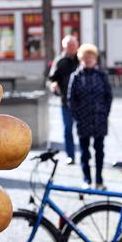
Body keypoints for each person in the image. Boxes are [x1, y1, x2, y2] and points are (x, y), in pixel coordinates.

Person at [67, 44, 113, 190]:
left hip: (99, 118)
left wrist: (105, 112)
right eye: (85, 57)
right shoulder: (76, 76)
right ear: (81, 59)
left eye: (91, 57)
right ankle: (86, 179)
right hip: (83, 119)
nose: (88, 60)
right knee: (84, 152)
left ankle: (99, 180)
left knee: (99, 150)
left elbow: (108, 96)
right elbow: (71, 98)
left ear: (95, 59)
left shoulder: (101, 75)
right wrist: (77, 115)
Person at [48, 36, 80, 165]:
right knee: (67, 130)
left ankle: (85, 154)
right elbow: (51, 79)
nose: (71, 48)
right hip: (65, 101)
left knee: (83, 130)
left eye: (73, 45)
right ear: (64, 47)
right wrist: (53, 85)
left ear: (77, 45)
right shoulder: (60, 61)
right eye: (69, 46)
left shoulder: (82, 58)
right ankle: (70, 155)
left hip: (81, 102)